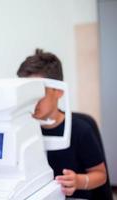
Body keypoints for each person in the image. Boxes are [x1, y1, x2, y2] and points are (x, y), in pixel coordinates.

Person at [17, 49, 107, 199]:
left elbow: (100, 175)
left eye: (39, 91)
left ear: (59, 91)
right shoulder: (25, 130)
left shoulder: (80, 130)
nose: (33, 100)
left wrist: (79, 181)